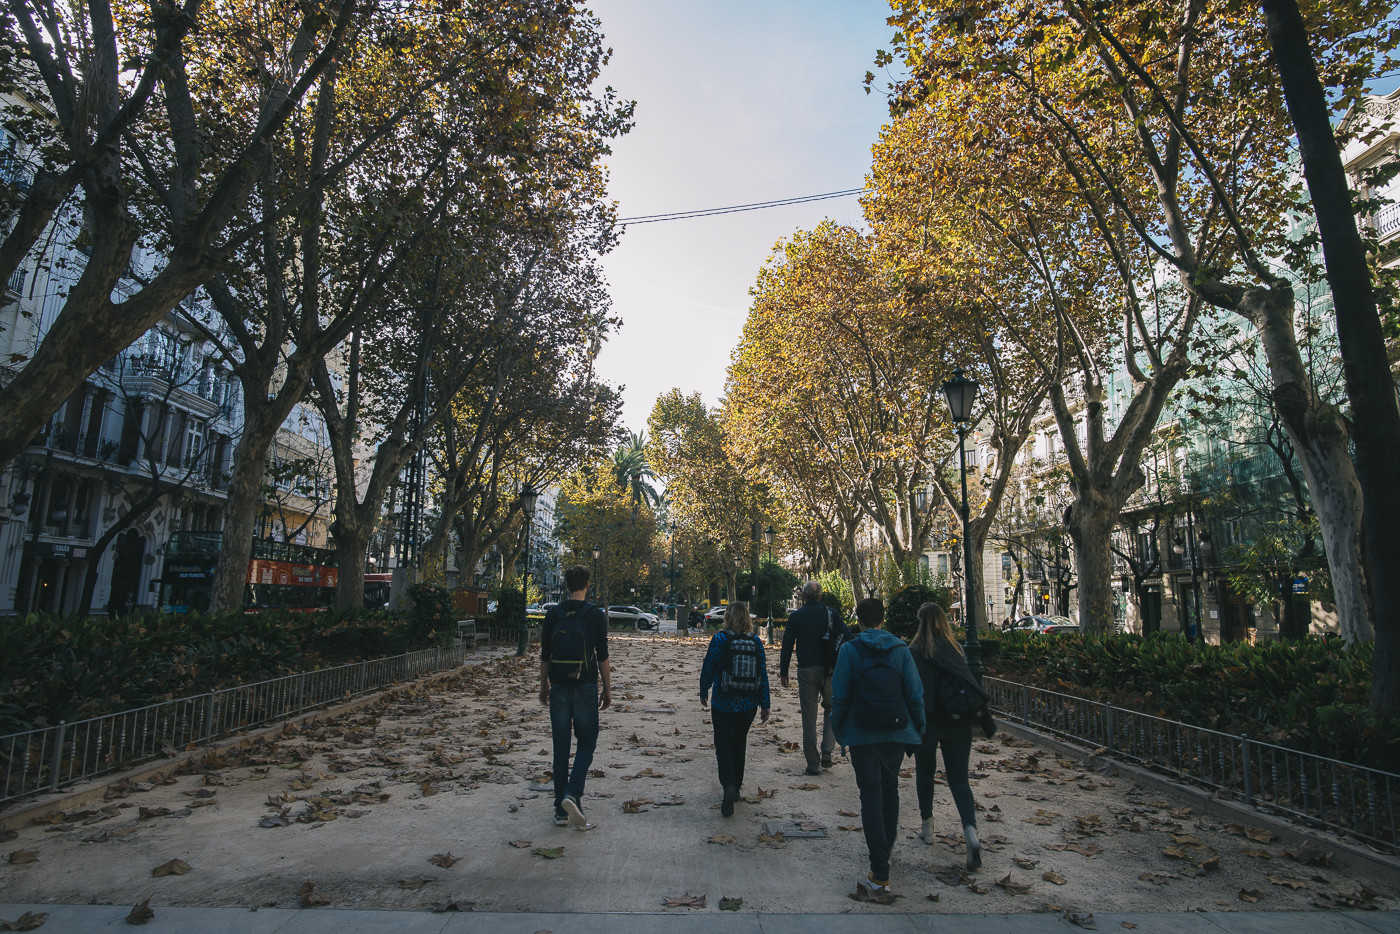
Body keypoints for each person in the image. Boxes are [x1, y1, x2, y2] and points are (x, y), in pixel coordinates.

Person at [831, 597, 925, 898]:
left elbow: (840, 695)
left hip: (862, 733)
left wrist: (839, 729)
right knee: (890, 789)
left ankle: (880, 869)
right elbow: (914, 693)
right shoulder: (900, 650)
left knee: (870, 795)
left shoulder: (849, 650)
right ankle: (886, 849)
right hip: (895, 732)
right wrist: (918, 728)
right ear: (883, 619)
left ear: (858, 619)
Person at [910, 601, 996, 870]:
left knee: (925, 773)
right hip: (958, 722)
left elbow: (912, 691)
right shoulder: (956, 649)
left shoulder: (914, 652)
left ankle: (927, 826)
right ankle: (970, 832)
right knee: (959, 780)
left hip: (928, 722)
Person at [539, 565, 611, 829]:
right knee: (587, 741)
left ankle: (560, 809)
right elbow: (601, 655)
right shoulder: (594, 615)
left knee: (560, 746)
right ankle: (573, 792)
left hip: (558, 684)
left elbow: (545, 654)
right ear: (587, 585)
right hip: (585, 685)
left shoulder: (554, 614)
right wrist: (608, 687)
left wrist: (542, 685)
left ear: (566, 585)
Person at [699, 602, 772, 816]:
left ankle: (728, 785)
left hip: (723, 700)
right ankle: (737, 786)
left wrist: (704, 689)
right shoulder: (756, 641)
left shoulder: (720, 639)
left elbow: (709, 665)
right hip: (748, 703)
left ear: (728, 617)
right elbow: (763, 674)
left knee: (723, 743)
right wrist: (765, 703)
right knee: (739, 742)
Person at [780, 581, 843, 774]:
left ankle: (813, 763)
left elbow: (787, 644)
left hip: (807, 669)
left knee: (809, 717)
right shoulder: (831, 613)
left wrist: (784, 671)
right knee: (831, 711)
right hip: (831, 669)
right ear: (821, 596)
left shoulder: (796, 616)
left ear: (803, 597)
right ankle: (827, 751)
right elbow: (847, 637)